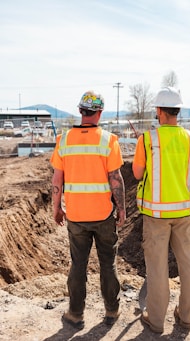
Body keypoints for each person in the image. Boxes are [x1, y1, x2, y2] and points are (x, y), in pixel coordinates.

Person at [50, 90, 126, 329]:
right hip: (103, 215)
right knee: (108, 264)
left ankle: (75, 314)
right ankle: (112, 311)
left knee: (78, 265)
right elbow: (116, 179)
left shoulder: (63, 140)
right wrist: (121, 208)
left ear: (81, 111)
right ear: (100, 113)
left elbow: (56, 180)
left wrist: (56, 208)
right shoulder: (109, 140)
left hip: (76, 216)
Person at [132, 87, 190, 334]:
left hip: (156, 216)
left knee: (157, 270)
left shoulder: (148, 139)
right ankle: (186, 318)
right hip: (184, 213)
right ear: (178, 110)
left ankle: (156, 321)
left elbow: (138, 174)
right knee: (187, 267)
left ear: (159, 111)